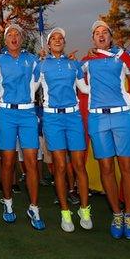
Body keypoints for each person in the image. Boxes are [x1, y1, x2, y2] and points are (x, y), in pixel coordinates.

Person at [81, 20, 130, 239]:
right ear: (93, 39)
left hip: (123, 115)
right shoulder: (87, 61)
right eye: (97, 32)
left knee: (127, 167)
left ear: (111, 36)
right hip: (98, 118)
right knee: (106, 167)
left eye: (105, 32)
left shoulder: (121, 57)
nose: (101, 35)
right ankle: (116, 213)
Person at [0, 24, 45, 229]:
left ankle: (34, 207)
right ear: (5, 40)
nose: (14, 37)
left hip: (28, 113)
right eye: (10, 35)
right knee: (8, 162)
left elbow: (45, 72)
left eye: (17, 35)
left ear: (22, 39)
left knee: (31, 162)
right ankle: (8, 203)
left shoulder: (32, 59)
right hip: (6, 113)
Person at [37, 27, 90, 232]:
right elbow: (32, 87)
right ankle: (65, 212)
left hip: (73, 116)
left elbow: (84, 88)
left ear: (64, 43)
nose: (58, 40)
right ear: (48, 44)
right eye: (54, 38)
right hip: (52, 117)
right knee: (59, 166)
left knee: (79, 166)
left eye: (61, 38)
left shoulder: (74, 64)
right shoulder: (41, 66)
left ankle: (84, 209)